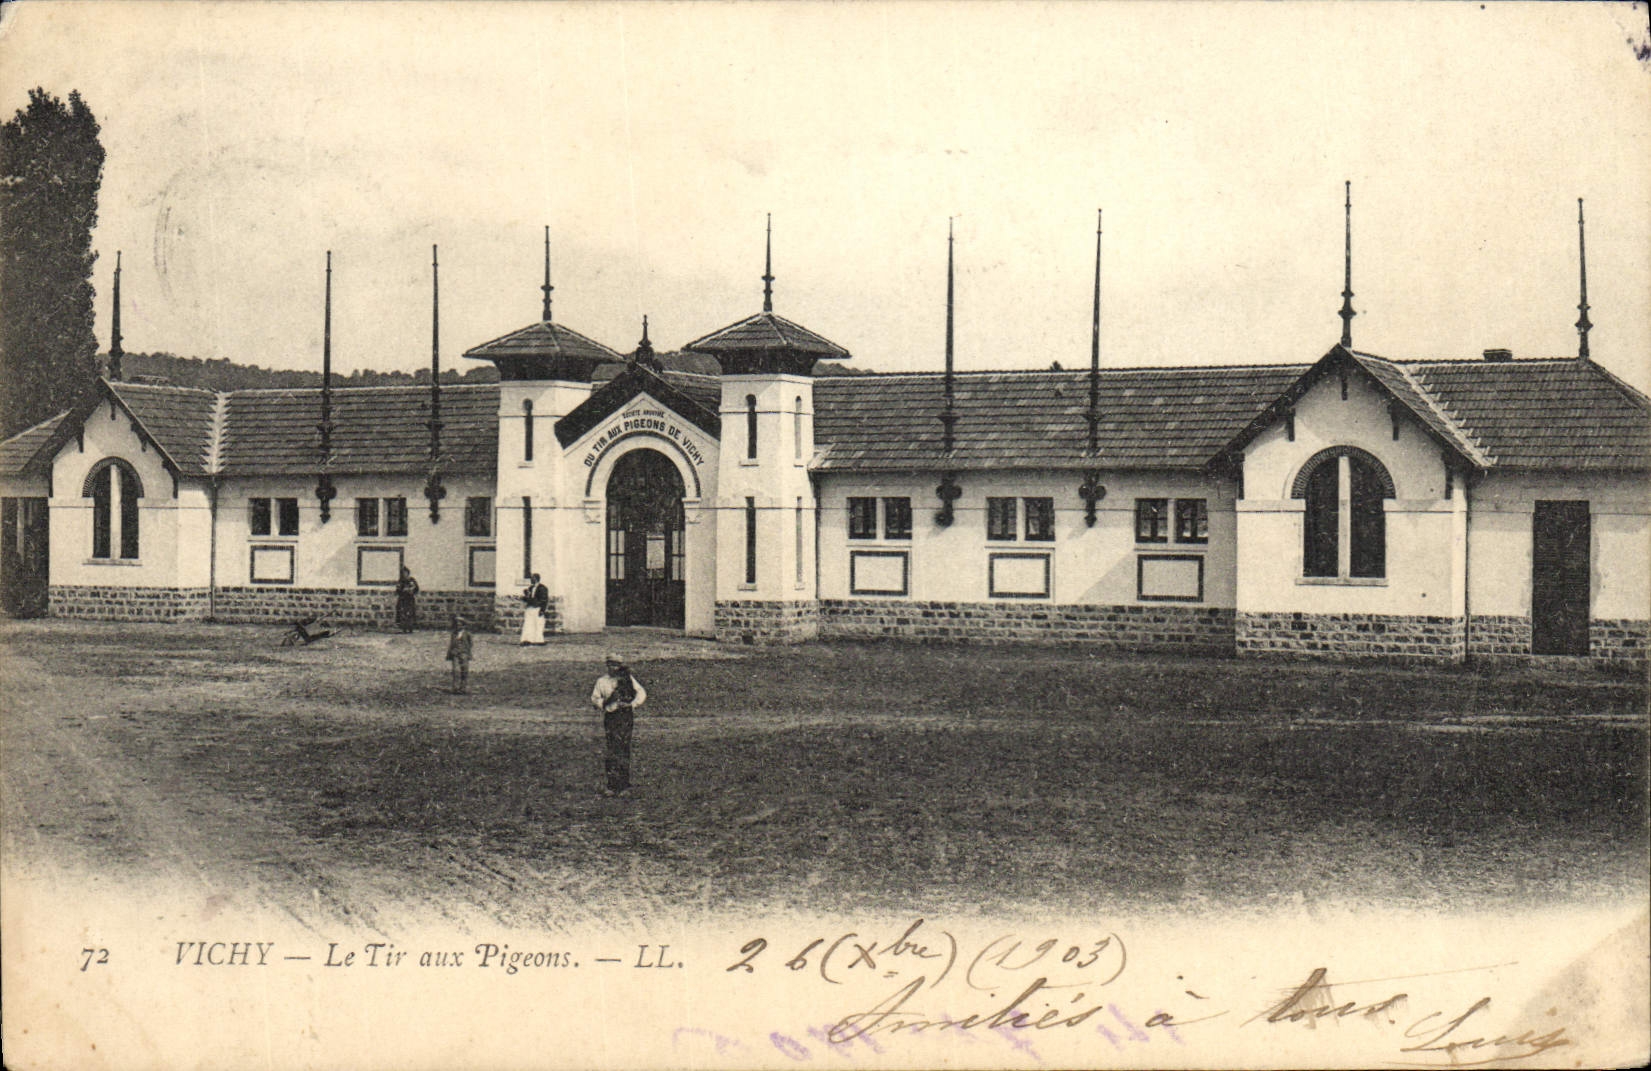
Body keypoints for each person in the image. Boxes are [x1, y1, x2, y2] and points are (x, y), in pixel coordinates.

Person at [590, 653, 646, 796]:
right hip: (611, 717)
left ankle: (624, 786)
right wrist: (606, 702)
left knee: (624, 748)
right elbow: (595, 698)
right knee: (612, 749)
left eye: (616, 665)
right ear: (607, 665)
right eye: (611, 664)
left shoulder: (627, 680)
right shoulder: (602, 681)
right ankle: (612, 785)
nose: (613, 668)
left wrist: (632, 704)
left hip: (625, 716)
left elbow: (641, 693)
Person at [445, 615, 473, 693]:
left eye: (460, 624)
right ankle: (455, 687)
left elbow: (470, 644)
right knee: (455, 670)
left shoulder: (467, 634)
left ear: (463, 625)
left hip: (464, 653)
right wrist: (450, 653)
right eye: (456, 625)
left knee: (464, 670)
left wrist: (466, 652)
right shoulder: (453, 634)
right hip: (455, 654)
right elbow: (451, 644)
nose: (458, 626)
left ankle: (463, 687)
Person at [520, 573, 549, 645]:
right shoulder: (530, 588)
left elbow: (544, 600)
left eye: (532, 578)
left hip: (537, 608)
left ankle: (539, 640)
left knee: (538, 624)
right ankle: (527, 639)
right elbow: (529, 598)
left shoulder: (542, 588)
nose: (531, 580)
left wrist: (542, 610)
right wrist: (525, 597)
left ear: (536, 579)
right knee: (528, 623)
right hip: (530, 608)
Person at [394, 565, 420, 633]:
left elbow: (416, 588)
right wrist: (402, 590)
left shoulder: (412, 580)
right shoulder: (401, 581)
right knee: (403, 613)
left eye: (406, 573)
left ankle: (410, 628)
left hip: (410, 599)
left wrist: (412, 590)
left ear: (408, 573)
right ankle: (404, 628)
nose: (404, 574)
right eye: (403, 573)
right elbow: (397, 590)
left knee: (410, 613)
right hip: (402, 599)